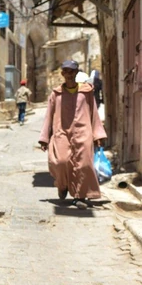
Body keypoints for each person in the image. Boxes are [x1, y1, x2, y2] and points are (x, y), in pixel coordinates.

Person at [38, 60, 107, 209]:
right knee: (61, 161)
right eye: (66, 71)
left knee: (83, 165)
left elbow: (93, 113)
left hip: (83, 133)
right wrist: (44, 137)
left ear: (76, 73)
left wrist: (98, 135)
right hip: (61, 133)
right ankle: (62, 185)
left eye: (72, 71)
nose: (69, 74)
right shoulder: (56, 94)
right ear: (62, 73)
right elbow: (49, 116)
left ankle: (79, 196)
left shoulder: (86, 92)